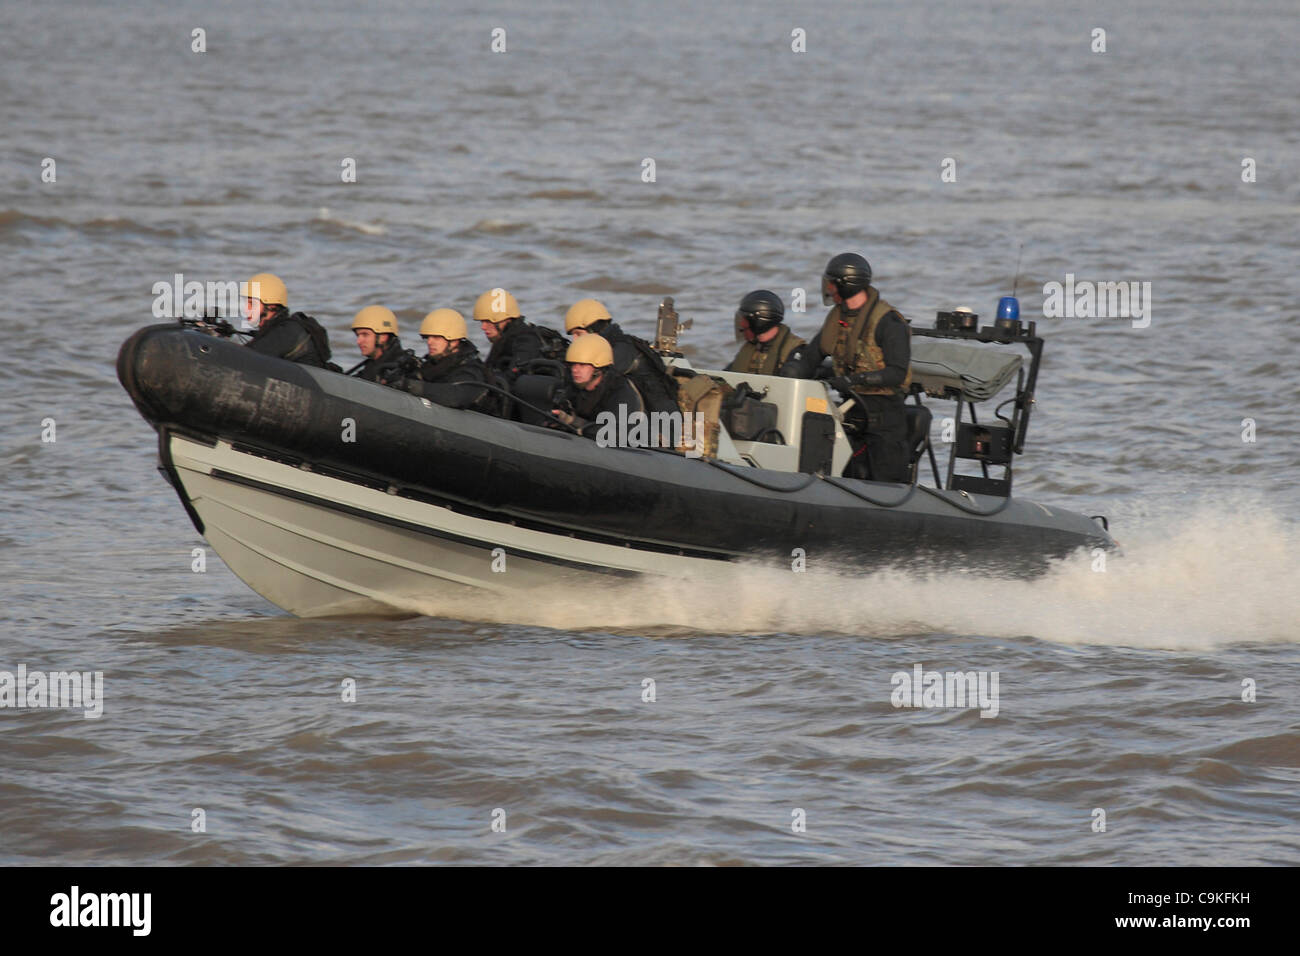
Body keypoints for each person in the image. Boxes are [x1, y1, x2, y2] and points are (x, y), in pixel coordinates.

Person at [781, 253, 913, 482]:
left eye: (832, 283)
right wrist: (787, 377)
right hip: (851, 411)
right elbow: (810, 359)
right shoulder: (838, 319)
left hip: (885, 416)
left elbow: (896, 373)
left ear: (845, 284)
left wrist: (854, 380)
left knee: (884, 480)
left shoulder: (888, 322)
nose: (829, 288)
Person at [563, 298, 679, 415]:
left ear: (595, 329)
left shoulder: (622, 350)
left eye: (578, 334)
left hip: (659, 422)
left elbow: (595, 380)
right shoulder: (609, 347)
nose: (575, 340)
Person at [550, 334, 647, 443]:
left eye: (582, 365)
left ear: (598, 368)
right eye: (573, 365)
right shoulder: (573, 388)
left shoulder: (621, 393)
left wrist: (573, 422)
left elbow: (618, 434)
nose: (575, 370)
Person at [403, 308, 497, 413]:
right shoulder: (432, 366)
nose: (430, 342)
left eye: (436, 337)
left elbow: (456, 397)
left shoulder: (471, 369)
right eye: (428, 337)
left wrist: (412, 386)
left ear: (454, 341)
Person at [240, 272, 333, 368]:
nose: (246, 309)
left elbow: (246, 359)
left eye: (252, 303)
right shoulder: (278, 329)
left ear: (271, 306)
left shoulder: (287, 331)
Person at [475, 288, 566, 384]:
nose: (483, 327)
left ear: (507, 319)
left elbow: (513, 378)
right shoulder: (503, 340)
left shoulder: (526, 340)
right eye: (482, 321)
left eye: (489, 321)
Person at [725, 290, 804, 376]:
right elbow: (726, 375)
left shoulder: (796, 349)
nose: (741, 324)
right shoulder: (751, 348)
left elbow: (791, 380)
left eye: (745, 321)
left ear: (759, 322)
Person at [350, 305, 409, 385]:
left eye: (365, 335)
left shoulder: (403, 370)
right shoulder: (371, 367)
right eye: (358, 335)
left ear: (383, 337)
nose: (359, 341)